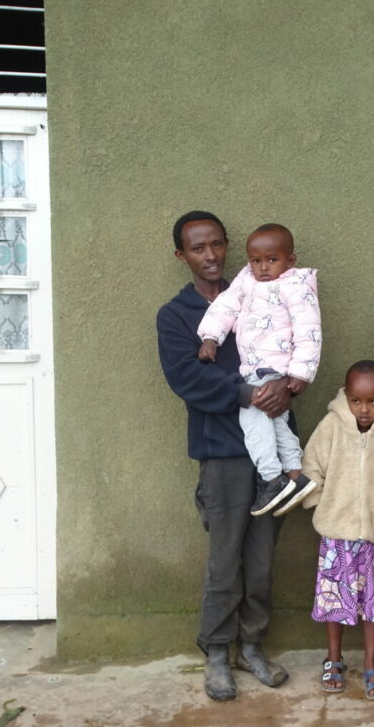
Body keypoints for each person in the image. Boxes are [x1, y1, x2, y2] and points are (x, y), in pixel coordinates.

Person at [156, 210, 291, 702]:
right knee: (224, 560)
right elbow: (187, 379)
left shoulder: (262, 292)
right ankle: (216, 650)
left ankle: (252, 646)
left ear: (227, 244)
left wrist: (288, 385)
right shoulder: (176, 316)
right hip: (222, 453)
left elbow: (293, 343)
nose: (210, 255)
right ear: (182, 255)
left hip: (272, 451)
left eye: (216, 244)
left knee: (260, 560)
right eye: (198, 248)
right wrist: (247, 394)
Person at [301, 360, 374, 701]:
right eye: (356, 400)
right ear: (346, 397)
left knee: (373, 605)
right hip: (338, 537)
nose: (363, 409)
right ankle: (333, 658)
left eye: (372, 401)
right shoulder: (332, 426)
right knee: (334, 602)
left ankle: (370, 662)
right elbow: (311, 467)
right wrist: (320, 505)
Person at [197, 223, 321, 517]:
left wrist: (301, 373)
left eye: (272, 260)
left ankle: (271, 480)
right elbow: (225, 305)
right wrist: (211, 336)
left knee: (253, 422)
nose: (263, 267)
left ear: (290, 260)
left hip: (274, 368)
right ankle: (294, 475)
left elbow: (309, 330)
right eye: (256, 260)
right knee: (277, 421)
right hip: (254, 368)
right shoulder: (246, 280)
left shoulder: (296, 286)